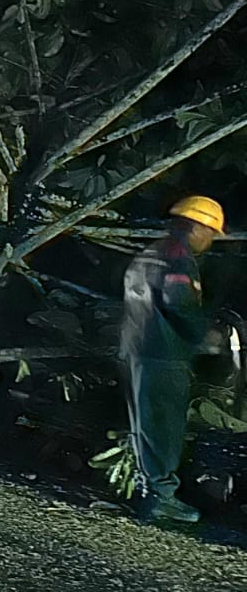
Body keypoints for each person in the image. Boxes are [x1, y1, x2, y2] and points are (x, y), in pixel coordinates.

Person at [120, 195, 225, 523]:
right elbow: (178, 302)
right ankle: (161, 498)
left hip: (136, 348)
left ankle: (146, 494)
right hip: (164, 353)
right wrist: (206, 334)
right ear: (195, 227)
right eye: (209, 232)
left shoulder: (153, 251)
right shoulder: (179, 257)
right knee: (164, 429)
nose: (209, 240)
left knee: (144, 428)